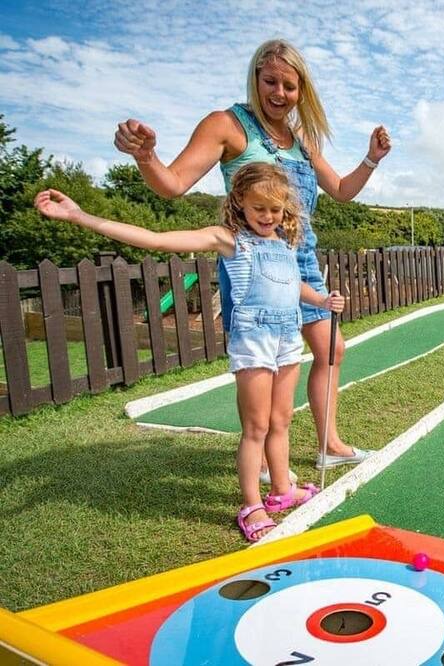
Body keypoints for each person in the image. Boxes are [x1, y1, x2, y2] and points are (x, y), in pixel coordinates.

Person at [113, 39, 390, 484]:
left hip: (300, 257)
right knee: (264, 362)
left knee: (331, 349)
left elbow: (340, 188)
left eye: (290, 86)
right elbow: (172, 184)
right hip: (255, 265)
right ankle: (259, 455)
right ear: (255, 77)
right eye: (270, 82)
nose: (279, 93)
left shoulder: (301, 137)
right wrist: (146, 157)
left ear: (303, 91)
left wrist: (370, 160)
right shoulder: (227, 125)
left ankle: (329, 446)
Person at [35, 163, 345, 542]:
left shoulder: (283, 244)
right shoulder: (227, 239)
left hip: (287, 340)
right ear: (240, 204)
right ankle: (252, 505)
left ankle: (281, 490)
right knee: (257, 427)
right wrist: (80, 216)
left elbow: (294, 285)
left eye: (276, 209)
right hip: (255, 342)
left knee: (281, 420)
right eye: (259, 207)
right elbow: (156, 239)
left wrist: (323, 299)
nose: (267, 216)